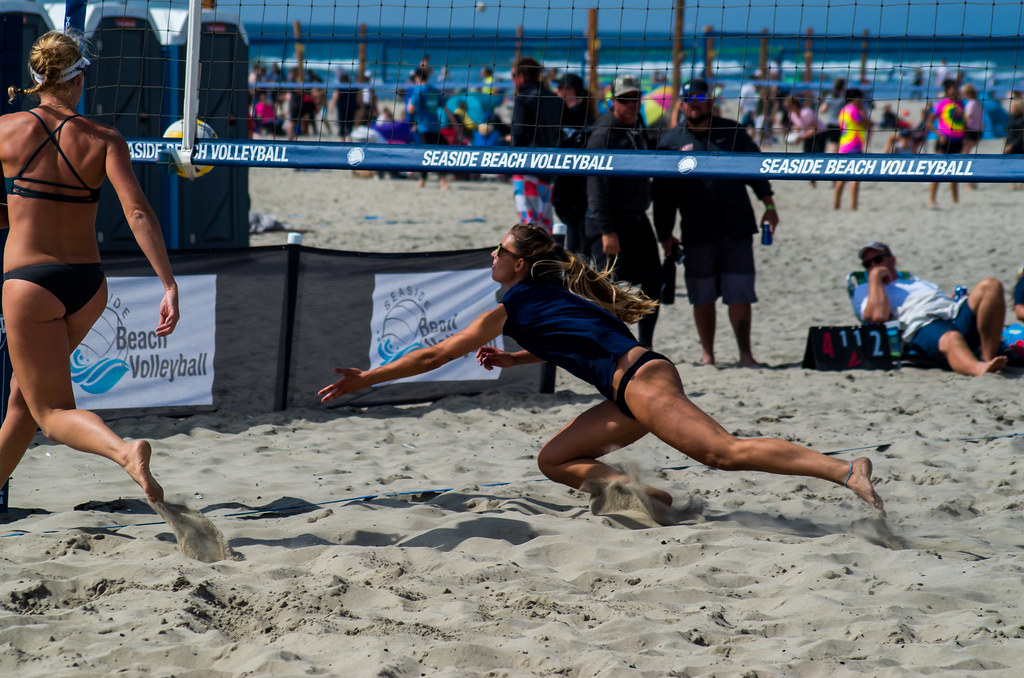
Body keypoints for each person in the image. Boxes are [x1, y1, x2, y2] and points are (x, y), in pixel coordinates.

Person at [318, 223, 885, 518]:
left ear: (519, 263)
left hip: (639, 382)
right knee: (555, 460)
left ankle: (844, 469)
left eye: (498, 250)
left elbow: (434, 355)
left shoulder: (512, 305)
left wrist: (365, 379)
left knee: (721, 452)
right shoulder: (546, 297)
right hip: (628, 389)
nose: (491, 256)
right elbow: (574, 342)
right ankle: (645, 498)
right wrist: (517, 358)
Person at [0, 30, 180, 502]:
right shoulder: (105, 138)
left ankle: (124, 452)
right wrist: (167, 283)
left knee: (53, 413)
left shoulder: (5, 129)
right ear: (79, 79)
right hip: (88, 285)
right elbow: (138, 212)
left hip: (30, 285)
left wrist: (19, 208)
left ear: (37, 80)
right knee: (24, 401)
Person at [652, 78, 778, 367]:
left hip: (737, 227)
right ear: (681, 104)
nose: (693, 104)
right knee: (702, 297)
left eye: (699, 98)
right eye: (688, 99)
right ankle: (707, 356)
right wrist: (664, 235)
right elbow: (663, 195)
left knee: (740, 294)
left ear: (710, 101)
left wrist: (769, 205)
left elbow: (757, 172)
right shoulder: (670, 143)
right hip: (697, 232)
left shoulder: (733, 132)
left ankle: (745, 355)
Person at [584, 74, 661, 348]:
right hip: (609, 222)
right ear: (612, 101)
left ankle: (646, 345)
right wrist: (607, 230)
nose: (630, 104)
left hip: (637, 219)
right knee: (607, 292)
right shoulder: (604, 134)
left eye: (635, 98)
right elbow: (595, 187)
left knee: (654, 283)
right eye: (624, 99)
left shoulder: (638, 125)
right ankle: (608, 348)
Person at [852, 242, 1007, 376]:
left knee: (991, 286)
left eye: (878, 259)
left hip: (951, 312)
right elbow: (878, 317)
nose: (873, 265)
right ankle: (978, 368)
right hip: (923, 323)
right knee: (951, 337)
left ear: (892, 260)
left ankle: (988, 358)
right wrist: (875, 279)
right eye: (868, 264)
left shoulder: (916, 282)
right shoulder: (864, 289)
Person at [509, 57, 566, 231]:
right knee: (545, 221)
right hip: (549, 166)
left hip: (526, 165)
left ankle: (534, 257)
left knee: (530, 223)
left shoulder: (523, 98)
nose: (511, 80)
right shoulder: (555, 99)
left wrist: (511, 156)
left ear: (523, 76)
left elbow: (519, 134)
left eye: (513, 75)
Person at [405, 66, 450, 189]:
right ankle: (439, 181)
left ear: (417, 78)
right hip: (435, 125)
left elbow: (410, 109)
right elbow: (445, 107)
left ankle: (426, 181)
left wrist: (409, 102)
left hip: (424, 127)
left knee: (427, 154)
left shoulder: (418, 90)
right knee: (437, 152)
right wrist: (455, 123)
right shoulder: (434, 89)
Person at [925, 79, 965, 207]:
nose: (956, 90)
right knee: (937, 170)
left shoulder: (961, 104)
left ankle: (955, 201)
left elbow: (965, 122)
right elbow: (929, 123)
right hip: (944, 140)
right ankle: (932, 199)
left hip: (958, 141)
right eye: (953, 88)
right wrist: (939, 134)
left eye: (957, 88)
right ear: (947, 90)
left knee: (955, 173)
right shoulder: (941, 104)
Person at [833, 88, 870, 211]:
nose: (862, 100)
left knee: (842, 177)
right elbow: (866, 125)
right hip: (853, 145)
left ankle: (836, 204)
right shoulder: (855, 110)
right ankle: (853, 206)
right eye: (860, 98)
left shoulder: (843, 110)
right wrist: (864, 112)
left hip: (844, 144)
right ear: (855, 99)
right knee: (855, 177)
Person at [1005, 98, 1024, 190]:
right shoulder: (1010, 118)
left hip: (1019, 145)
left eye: (1013, 107)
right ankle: (1012, 183)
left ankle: (1020, 182)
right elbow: (1008, 132)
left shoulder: (1021, 120)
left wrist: (1012, 145)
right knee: (1010, 164)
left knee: (1020, 164)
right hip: (1010, 143)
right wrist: (1007, 144)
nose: (1011, 109)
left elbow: (1020, 136)